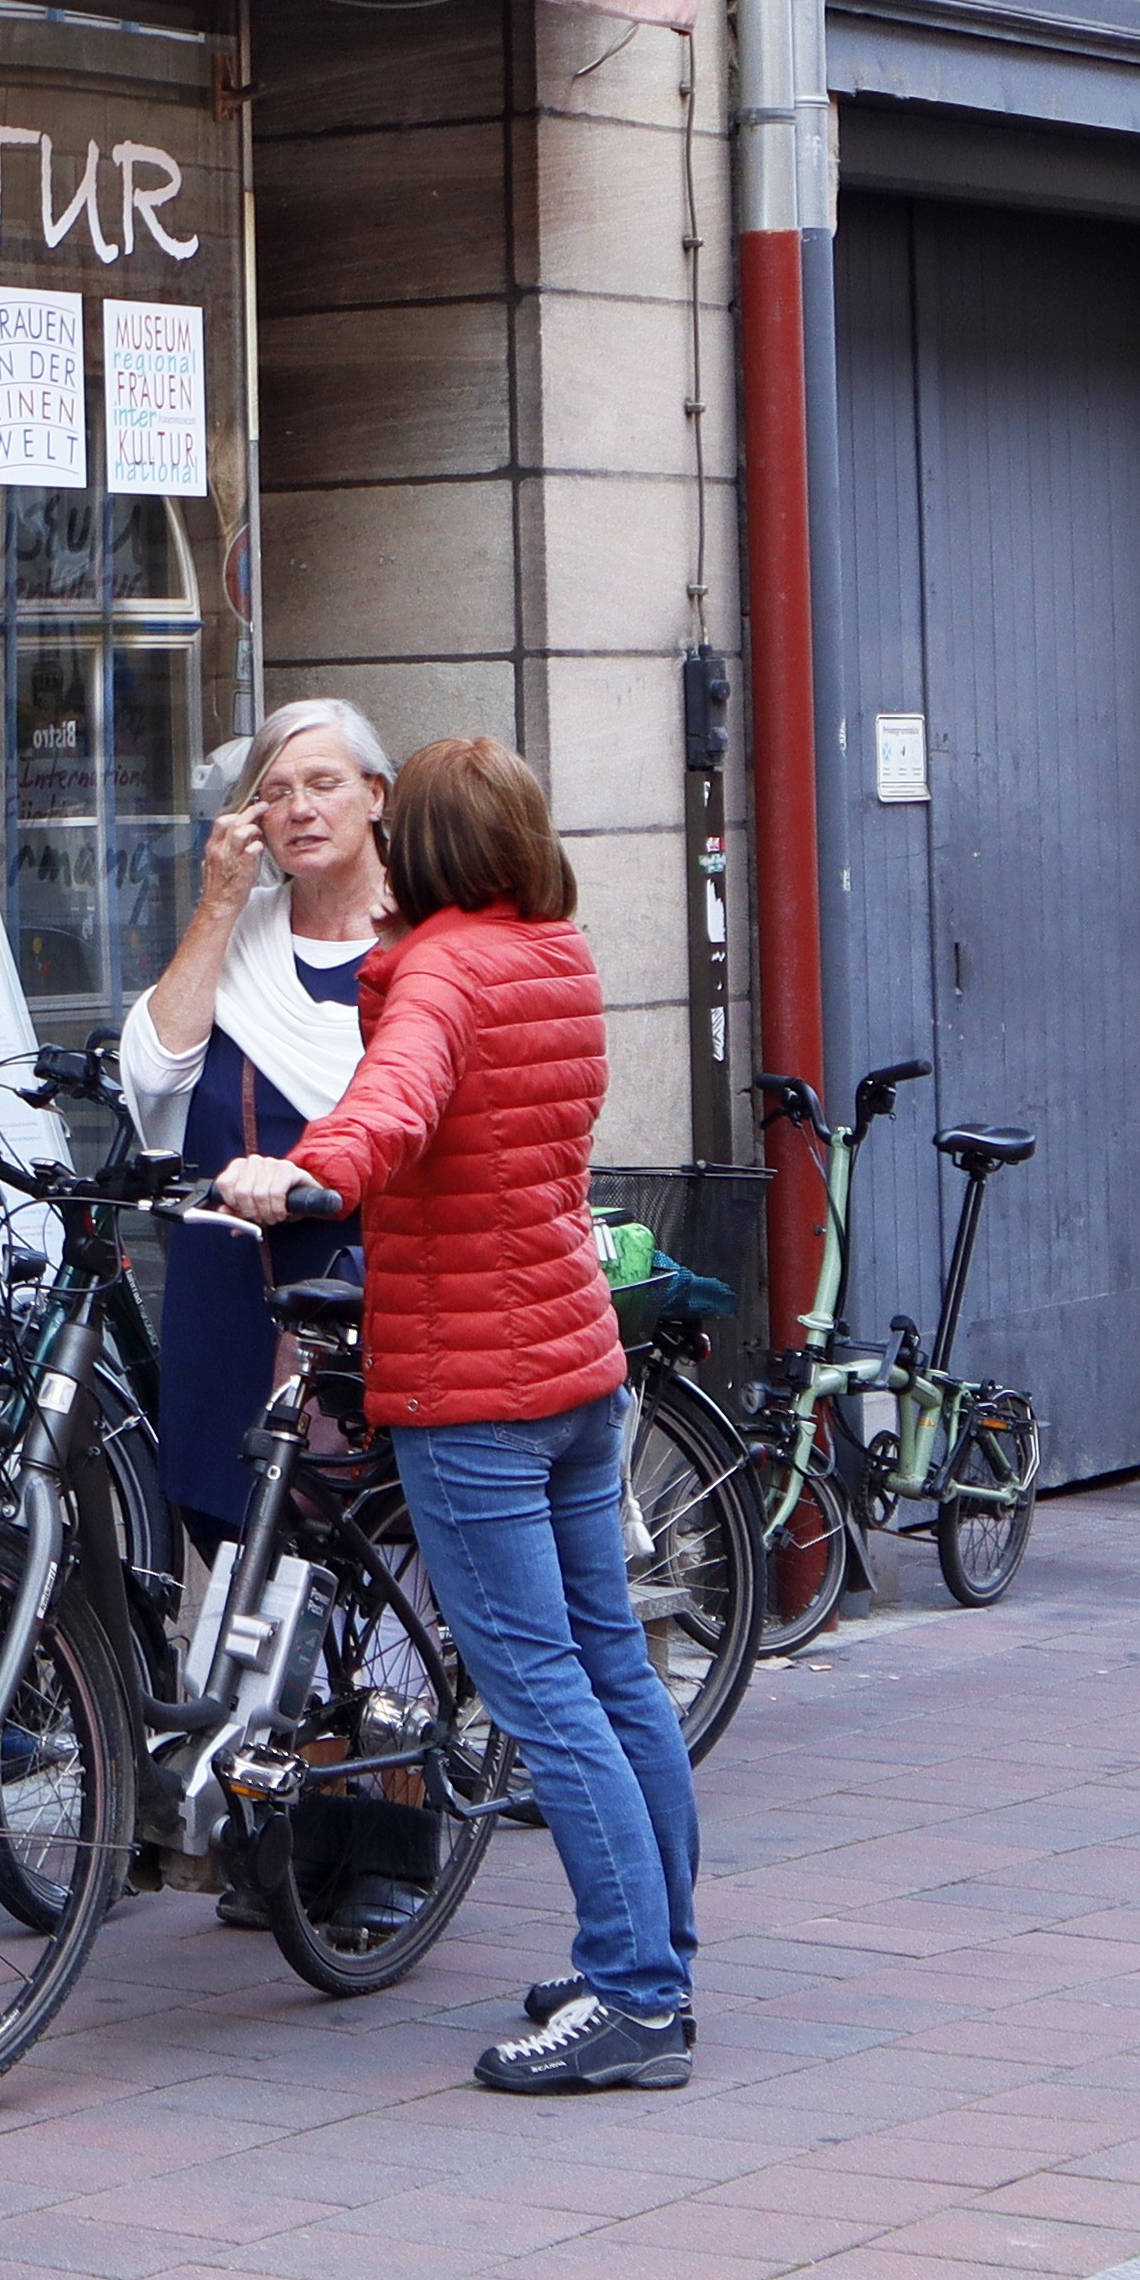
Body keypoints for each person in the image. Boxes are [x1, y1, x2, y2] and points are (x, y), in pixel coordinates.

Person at [220, 735, 693, 2095]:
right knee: (612, 1668)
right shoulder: (556, 951)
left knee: (541, 1688)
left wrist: (304, 1174)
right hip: (573, 1362)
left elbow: (397, 1096)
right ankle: (656, 1954)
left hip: (474, 1386)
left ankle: (634, 1995)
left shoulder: (439, 968)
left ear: (417, 841)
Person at [122, 701, 395, 1554]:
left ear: (376, 794)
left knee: (378, 1542)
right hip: (229, 1286)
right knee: (228, 1528)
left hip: (368, 1285)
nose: (300, 808)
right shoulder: (240, 933)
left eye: (323, 783)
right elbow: (155, 1069)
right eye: (275, 792)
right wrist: (219, 903)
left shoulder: (425, 935)